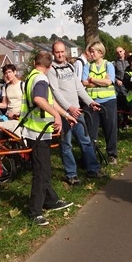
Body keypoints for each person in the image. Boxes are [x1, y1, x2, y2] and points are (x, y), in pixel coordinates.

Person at [19, 52, 75, 226]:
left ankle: (50, 200)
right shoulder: (41, 80)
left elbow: (49, 102)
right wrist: (56, 117)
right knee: (41, 172)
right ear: (50, 66)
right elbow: (39, 100)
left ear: (35, 62)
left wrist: (65, 114)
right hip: (37, 132)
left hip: (37, 131)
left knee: (45, 169)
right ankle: (34, 212)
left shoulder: (32, 77)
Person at [48, 41, 103, 186]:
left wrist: (90, 102)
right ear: (53, 53)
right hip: (64, 113)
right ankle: (71, 174)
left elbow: (79, 88)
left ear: (65, 52)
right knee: (66, 145)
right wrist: (69, 108)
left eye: (62, 52)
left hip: (77, 112)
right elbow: (55, 93)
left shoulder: (70, 66)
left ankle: (93, 169)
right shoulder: (51, 70)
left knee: (85, 141)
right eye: (57, 52)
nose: (60, 55)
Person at [82, 41, 119, 164]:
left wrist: (92, 79)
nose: (91, 54)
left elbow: (109, 82)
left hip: (108, 101)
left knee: (110, 129)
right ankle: (90, 157)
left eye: (93, 51)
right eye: (90, 51)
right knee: (91, 131)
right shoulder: (87, 66)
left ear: (100, 52)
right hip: (91, 102)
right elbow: (83, 82)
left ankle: (112, 154)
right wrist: (102, 80)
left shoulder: (109, 65)